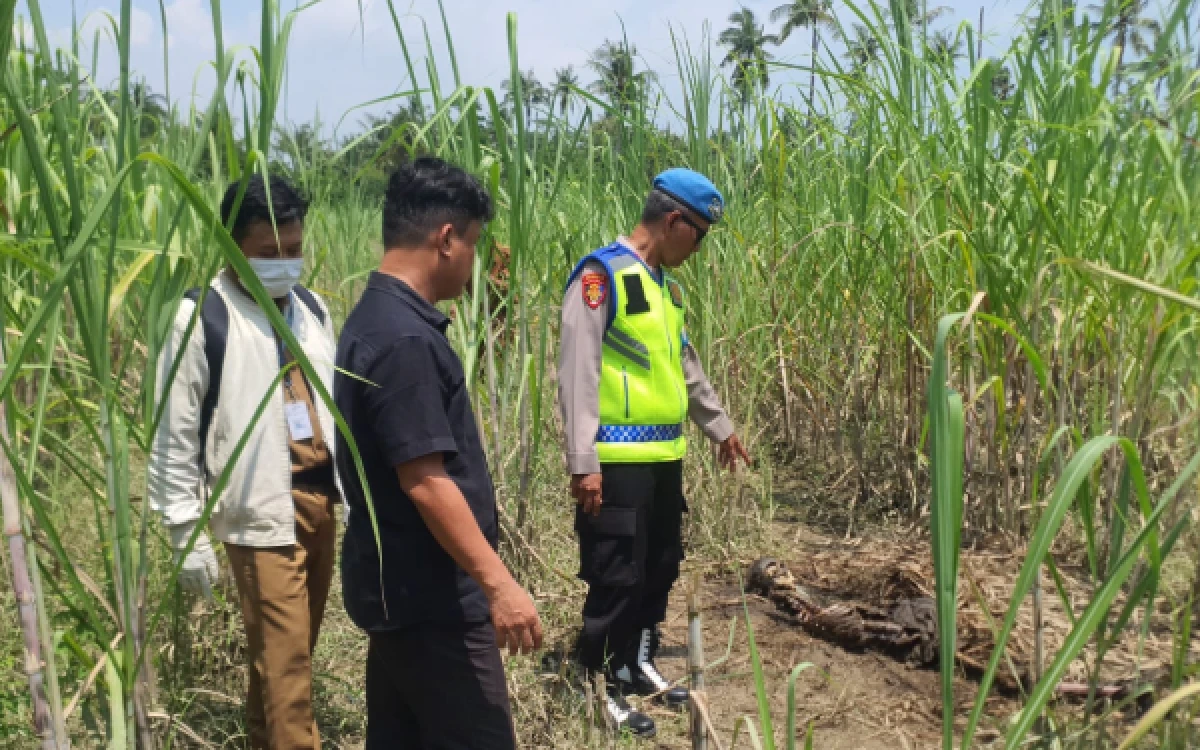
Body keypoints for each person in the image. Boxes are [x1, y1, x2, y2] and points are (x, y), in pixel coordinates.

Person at [334, 157, 543, 749]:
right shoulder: (405, 341)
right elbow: (425, 480)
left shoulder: (373, 318)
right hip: (435, 605)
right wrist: (499, 586)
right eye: (474, 244)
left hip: (398, 590)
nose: (475, 261)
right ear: (446, 239)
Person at [558, 168, 752, 736]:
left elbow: (684, 367)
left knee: (659, 567)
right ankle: (594, 683)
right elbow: (577, 371)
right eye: (700, 234)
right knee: (616, 575)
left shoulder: (665, 288)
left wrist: (721, 427)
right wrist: (582, 461)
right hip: (616, 464)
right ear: (673, 222)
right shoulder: (602, 277)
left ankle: (632, 662)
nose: (700, 247)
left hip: (664, 460)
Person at [148, 174, 339, 749]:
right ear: (232, 246)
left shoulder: (311, 309)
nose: (285, 264)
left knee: (287, 658)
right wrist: (185, 528)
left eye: (296, 249)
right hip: (259, 513)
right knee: (288, 670)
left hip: (319, 501)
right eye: (268, 254)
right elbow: (173, 432)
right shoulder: (201, 317)